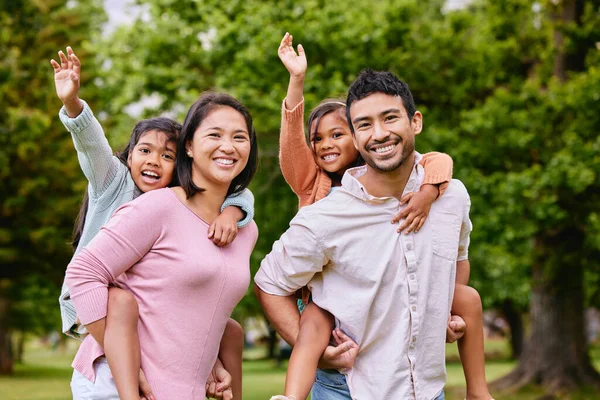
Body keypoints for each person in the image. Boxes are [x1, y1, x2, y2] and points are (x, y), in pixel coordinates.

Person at [255, 68, 477, 399]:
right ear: (359, 137)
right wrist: (315, 348)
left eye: (390, 118)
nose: (380, 133)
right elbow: (270, 282)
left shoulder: (450, 196)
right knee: (317, 319)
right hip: (347, 381)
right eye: (364, 125)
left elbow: (456, 258)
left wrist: (443, 311)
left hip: (428, 389)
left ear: (415, 121)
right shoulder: (324, 206)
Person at [52, 48, 253, 399]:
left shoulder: (232, 221)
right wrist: (73, 105)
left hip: (171, 381)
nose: (154, 161)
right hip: (95, 318)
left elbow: (241, 196)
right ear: (128, 154)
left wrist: (232, 213)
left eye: (166, 156)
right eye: (144, 151)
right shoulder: (117, 183)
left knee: (231, 330)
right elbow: (92, 145)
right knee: (123, 304)